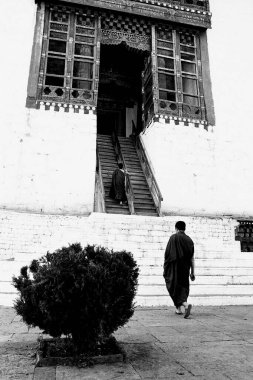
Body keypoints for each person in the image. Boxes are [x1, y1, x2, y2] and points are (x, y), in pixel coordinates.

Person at [163, 221, 195, 318]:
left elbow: (167, 254)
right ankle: (178, 309)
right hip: (185, 269)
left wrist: (166, 267)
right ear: (184, 228)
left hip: (173, 268)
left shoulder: (173, 238)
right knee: (183, 287)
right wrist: (192, 272)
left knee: (173, 286)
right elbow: (191, 258)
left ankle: (185, 305)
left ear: (176, 228)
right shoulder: (189, 240)